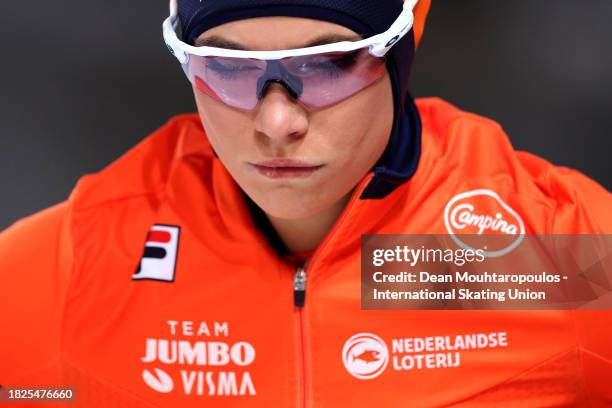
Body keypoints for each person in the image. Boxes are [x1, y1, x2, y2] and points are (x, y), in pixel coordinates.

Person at [1, 0, 611, 406]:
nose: (276, 121)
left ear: (400, 51)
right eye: (227, 67)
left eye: (331, 64)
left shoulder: (562, 252)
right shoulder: (79, 263)